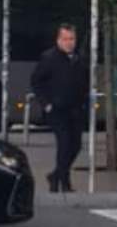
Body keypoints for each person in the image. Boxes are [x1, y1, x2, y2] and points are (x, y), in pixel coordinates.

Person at [29, 22, 90, 192]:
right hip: (57, 110)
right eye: (65, 39)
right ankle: (63, 181)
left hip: (75, 109)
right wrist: (46, 103)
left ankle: (56, 174)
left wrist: (83, 101)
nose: (69, 42)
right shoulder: (49, 58)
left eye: (71, 39)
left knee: (75, 145)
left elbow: (83, 82)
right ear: (58, 39)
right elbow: (36, 81)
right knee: (64, 143)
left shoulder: (79, 59)